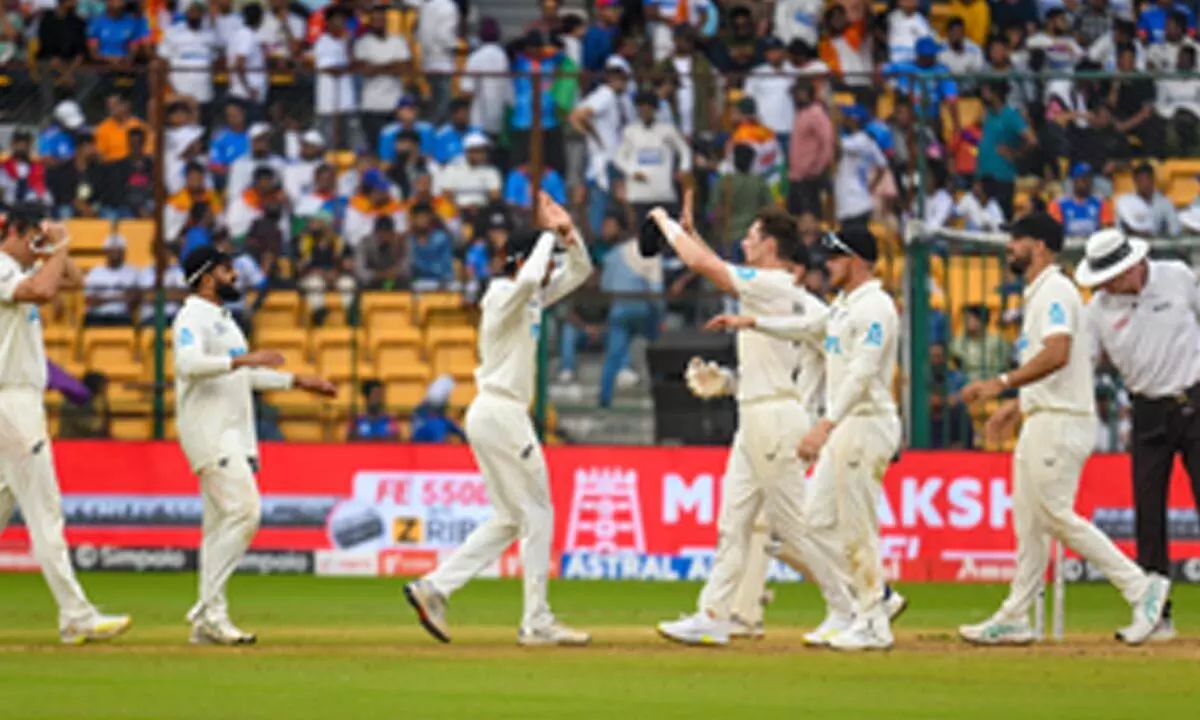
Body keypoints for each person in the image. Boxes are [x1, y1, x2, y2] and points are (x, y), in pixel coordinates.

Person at [958, 212, 1171, 647]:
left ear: (1038, 246)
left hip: (1060, 421)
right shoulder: (1039, 291)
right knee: (1030, 522)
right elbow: (1054, 365)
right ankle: (1017, 614)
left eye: (1016, 241)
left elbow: (1057, 353)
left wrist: (1000, 385)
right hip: (1043, 416)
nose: (1009, 249)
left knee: (1054, 514)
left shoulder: (1055, 289)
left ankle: (1140, 587)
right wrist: (1017, 408)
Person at [650, 200, 855, 647]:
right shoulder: (765, 287)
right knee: (733, 522)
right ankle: (713, 614)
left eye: (751, 235)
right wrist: (724, 381)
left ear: (770, 246)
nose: (744, 240)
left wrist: (665, 223)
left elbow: (703, 265)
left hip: (775, 420)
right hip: (755, 414)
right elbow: (714, 264)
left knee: (795, 527)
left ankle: (854, 607)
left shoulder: (773, 284)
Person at [404, 192, 593, 647]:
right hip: (502, 412)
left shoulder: (528, 297)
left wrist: (569, 236)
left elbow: (581, 271)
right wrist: (548, 235)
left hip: (495, 414)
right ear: (525, 258)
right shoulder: (502, 293)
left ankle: (435, 587)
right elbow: (529, 279)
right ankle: (536, 621)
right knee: (539, 511)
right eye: (544, 259)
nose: (550, 270)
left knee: (510, 517)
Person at [174, 246, 336, 644]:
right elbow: (188, 364)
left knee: (217, 529)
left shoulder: (225, 321)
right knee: (246, 512)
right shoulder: (192, 316)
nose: (236, 276)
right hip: (209, 430)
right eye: (228, 270)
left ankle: (209, 622)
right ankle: (206, 604)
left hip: (233, 430)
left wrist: (298, 382)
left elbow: (243, 378)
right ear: (208, 276)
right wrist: (243, 361)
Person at [0, 205, 132, 644]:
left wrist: (53, 249)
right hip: (11, 401)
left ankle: (76, 614)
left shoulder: (23, 266)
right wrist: (55, 247)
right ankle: (76, 614)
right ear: (16, 233)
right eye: (32, 236)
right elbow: (40, 292)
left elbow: (72, 281)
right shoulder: (1, 267)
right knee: (45, 510)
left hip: (17, 401)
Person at [1074, 228, 1200, 641]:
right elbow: (1083, 364)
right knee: (1148, 515)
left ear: (1134, 264)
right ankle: (1156, 614)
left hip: (1196, 400)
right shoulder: (1098, 311)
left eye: (1113, 274)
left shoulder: (1177, 276)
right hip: (1147, 412)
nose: (1108, 284)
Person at [788, 226, 904, 650]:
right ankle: (875, 601)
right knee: (815, 526)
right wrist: (752, 321)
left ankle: (873, 622)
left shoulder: (877, 307)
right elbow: (802, 329)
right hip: (844, 426)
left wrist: (826, 422)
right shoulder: (841, 307)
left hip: (867, 422)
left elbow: (864, 372)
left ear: (856, 260)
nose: (827, 266)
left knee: (857, 526)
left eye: (834, 259)